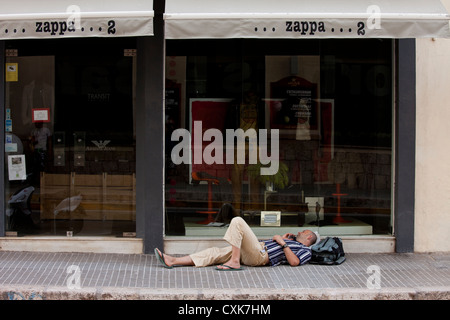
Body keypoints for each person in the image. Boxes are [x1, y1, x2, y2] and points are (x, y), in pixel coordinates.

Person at [154, 216, 318, 271]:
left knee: (238, 221)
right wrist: (282, 239)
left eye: (303, 232)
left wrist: (282, 243)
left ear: (309, 237)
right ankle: (173, 261)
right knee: (214, 252)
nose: (299, 232)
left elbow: (294, 262)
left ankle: (234, 262)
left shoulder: (305, 250)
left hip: (260, 256)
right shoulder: (291, 241)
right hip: (257, 249)